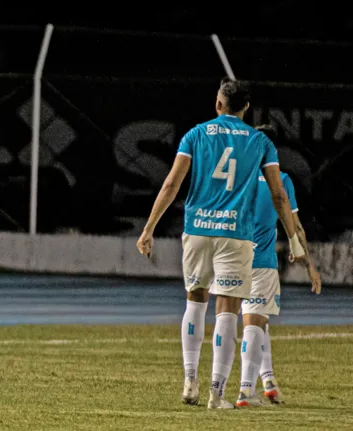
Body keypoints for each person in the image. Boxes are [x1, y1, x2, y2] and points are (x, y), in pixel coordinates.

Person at [135, 78, 308, 409]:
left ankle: (189, 380)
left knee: (195, 302)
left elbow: (172, 183)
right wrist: (293, 238)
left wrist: (149, 228)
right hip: (235, 234)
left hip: (198, 229)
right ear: (246, 108)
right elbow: (277, 193)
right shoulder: (261, 142)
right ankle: (217, 393)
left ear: (218, 104)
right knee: (227, 309)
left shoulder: (196, 134)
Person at [235, 124, 322, 407]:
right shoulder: (281, 180)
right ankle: (246, 390)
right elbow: (294, 225)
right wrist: (307, 262)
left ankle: (269, 382)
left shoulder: (239, 178)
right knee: (254, 323)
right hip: (261, 261)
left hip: (231, 257)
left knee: (259, 320)